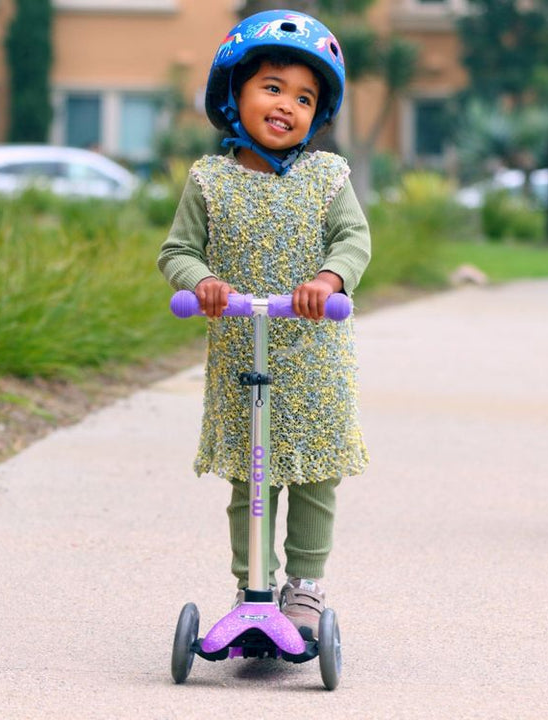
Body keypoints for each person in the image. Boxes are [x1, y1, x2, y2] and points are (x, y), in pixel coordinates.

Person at [157, 9, 371, 639]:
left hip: (313, 355)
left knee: (313, 474)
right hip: (240, 352)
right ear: (235, 94)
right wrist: (202, 282)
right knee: (249, 475)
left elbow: (353, 240)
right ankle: (253, 584)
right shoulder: (210, 180)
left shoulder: (328, 176)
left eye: (304, 98)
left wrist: (328, 281)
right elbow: (178, 251)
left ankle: (304, 586)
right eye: (273, 88)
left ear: (317, 114)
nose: (287, 106)